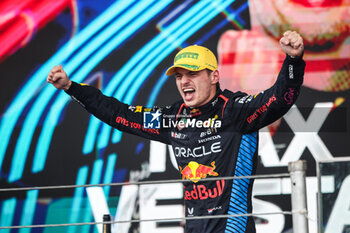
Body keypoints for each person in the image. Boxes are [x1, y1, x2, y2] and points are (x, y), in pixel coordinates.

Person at [47, 30, 305, 233]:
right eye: (179, 76)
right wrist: (72, 87)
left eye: (192, 73)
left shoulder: (235, 110)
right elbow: (119, 114)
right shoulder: (174, 116)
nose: (184, 82)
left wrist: (293, 60)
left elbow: (281, 98)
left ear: (214, 76)